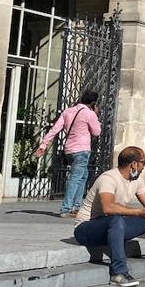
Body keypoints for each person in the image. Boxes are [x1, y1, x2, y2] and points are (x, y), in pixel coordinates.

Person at [72, 146, 145, 286]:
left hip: (113, 227)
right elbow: (108, 207)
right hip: (86, 229)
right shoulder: (108, 178)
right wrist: (140, 212)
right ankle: (118, 272)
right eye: (143, 162)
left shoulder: (136, 180)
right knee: (115, 219)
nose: (144, 166)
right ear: (134, 164)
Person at [36, 90, 102, 218]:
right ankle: (66, 208)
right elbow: (96, 132)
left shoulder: (68, 111)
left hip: (69, 150)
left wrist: (43, 145)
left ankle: (77, 207)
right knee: (76, 178)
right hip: (82, 150)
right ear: (93, 103)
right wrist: (96, 115)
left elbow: (55, 129)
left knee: (83, 176)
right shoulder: (89, 114)